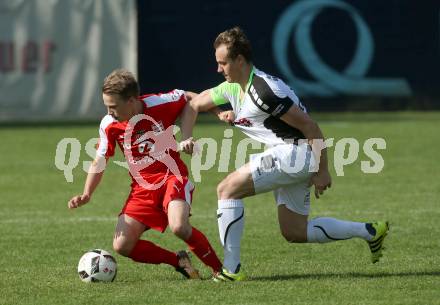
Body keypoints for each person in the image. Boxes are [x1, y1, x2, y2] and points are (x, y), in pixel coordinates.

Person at [180, 26, 389, 281]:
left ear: (240, 60)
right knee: (295, 231)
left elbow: (310, 126)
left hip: (296, 154)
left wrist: (322, 170)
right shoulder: (233, 87)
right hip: (291, 155)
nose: (218, 69)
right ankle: (369, 231)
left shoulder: (264, 91)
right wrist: (191, 133)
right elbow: (194, 104)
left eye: (223, 63)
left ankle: (231, 270)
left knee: (227, 189)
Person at [68, 69, 223, 279]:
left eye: (113, 106)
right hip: (142, 189)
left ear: (131, 101)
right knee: (122, 245)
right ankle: (178, 260)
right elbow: (100, 160)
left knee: (179, 227)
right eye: (106, 105)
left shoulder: (158, 103)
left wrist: (218, 113)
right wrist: (87, 193)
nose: (109, 111)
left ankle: (221, 271)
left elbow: (189, 97)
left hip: (172, 177)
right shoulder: (109, 124)